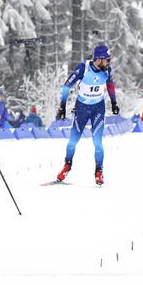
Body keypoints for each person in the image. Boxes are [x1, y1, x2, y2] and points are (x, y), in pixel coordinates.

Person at [55, 44, 118, 186]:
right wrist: (62, 106)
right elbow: (66, 85)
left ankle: (98, 171)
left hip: (98, 109)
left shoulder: (107, 71)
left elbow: (110, 86)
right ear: (99, 59)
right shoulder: (83, 68)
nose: (109, 63)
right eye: (107, 60)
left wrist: (114, 103)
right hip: (82, 109)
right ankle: (67, 166)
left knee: (97, 142)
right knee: (73, 140)